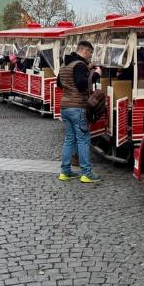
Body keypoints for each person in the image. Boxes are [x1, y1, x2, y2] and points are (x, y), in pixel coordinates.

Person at [57, 40, 102, 183]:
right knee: (83, 139)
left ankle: (65, 172)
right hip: (77, 106)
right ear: (85, 51)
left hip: (65, 106)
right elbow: (82, 85)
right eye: (90, 54)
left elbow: (59, 83)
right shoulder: (80, 65)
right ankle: (86, 173)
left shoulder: (65, 64)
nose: (90, 57)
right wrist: (96, 74)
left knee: (69, 139)